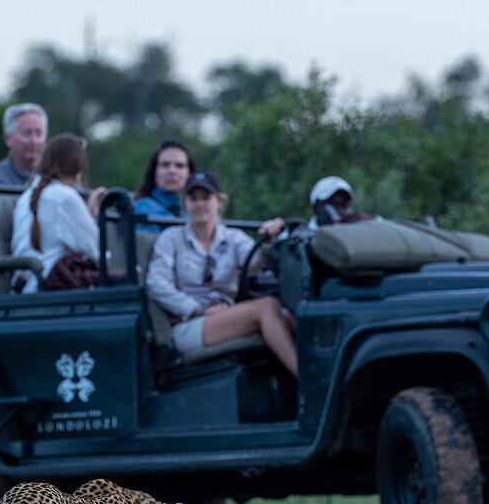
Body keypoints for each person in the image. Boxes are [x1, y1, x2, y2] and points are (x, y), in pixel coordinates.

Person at [146, 171, 297, 374]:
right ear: (185, 204)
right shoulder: (171, 239)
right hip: (189, 324)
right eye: (193, 198)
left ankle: (312, 384)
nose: (200, 204)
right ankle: (307, 383)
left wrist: (268, 239)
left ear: (219, 201)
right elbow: (156, 283)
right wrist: (198, 309)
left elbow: (256, 263)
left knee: (287, 314)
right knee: (266, 307)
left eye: (206, 197)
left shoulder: (233, 238)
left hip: (227, 316)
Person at [11, 134, 108, 291]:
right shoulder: (65, 197)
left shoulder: (25, 197)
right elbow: (98, 253)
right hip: (52, 287)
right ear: (78, 169)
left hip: (24, 287)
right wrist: (91, 217)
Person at [133, 139, 195, 230]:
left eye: (179, 166)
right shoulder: (141, 208)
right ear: (154, 171)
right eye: (165, 165)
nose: (172, 171)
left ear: (189, 173)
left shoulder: (198, 211)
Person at [0, 103, 48, 186]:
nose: (34, 141)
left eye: (39, 133)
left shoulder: (58, 177)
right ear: (8, 139)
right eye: (27, 133)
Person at [308, 176, 372, 232]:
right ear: (316, 207)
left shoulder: (357, 233)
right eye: (332, 204)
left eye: (343, 204)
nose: (338, 211)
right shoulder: (304, 237)